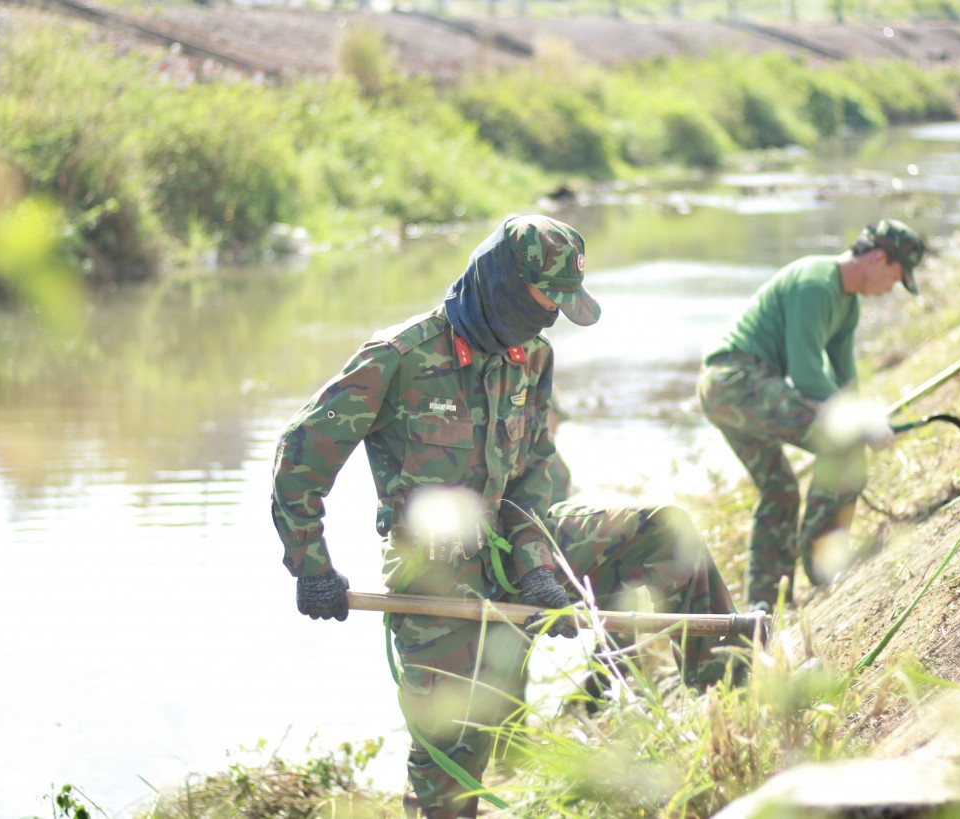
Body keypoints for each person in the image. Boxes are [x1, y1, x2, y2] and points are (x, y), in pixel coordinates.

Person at [270, 214, 745, 818]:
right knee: (453, 761)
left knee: (665, 532)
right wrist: (312, 566)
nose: (550, 319)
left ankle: (735, 716)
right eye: (546, 301)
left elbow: (532, 476)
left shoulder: (533, 358)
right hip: (437, 574)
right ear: (504, 285)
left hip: (521, 542)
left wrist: (536, 567)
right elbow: (299, 457)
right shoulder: (399, 357)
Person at [696, 219, 926, 611]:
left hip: (729, 389)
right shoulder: (816, 283)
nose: (892, 288)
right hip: (735, 381)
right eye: (896, 275)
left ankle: (764, 607)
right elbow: (805, 374)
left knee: (780, 490)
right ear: (877, 259)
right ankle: (823, 565)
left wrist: (865, 415)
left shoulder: (847, 305)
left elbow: (844, 382)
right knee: (843, 444)